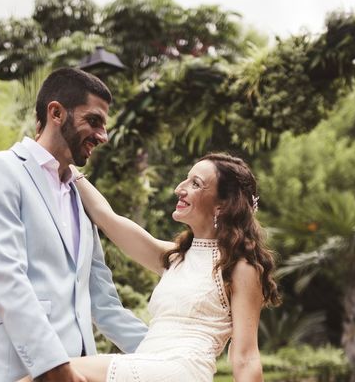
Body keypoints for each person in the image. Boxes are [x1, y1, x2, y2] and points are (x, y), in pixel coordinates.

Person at [19, 152, 280, 382]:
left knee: (50, 374)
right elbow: (107, 218)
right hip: (147, 363)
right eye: (186, 179)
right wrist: (66, 165)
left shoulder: (241, 268)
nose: (180, 188)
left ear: (222, 206)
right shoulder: (174, 257)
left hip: (179, 371)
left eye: (196, 184)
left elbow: (245, 357)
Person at [0, 68, 148, 382]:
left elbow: (104, 303)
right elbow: (6, 280)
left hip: (79, 373)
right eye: (94, 121)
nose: (103, 136)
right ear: (56, 113)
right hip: (19, 373)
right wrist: (55, 367)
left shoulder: (80, 196)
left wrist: (169, 355)